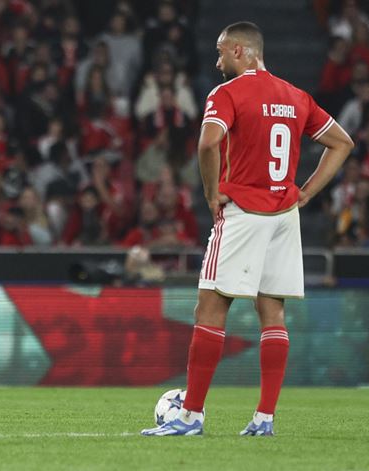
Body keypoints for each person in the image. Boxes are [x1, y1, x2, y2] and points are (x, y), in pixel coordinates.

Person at [142, 22, 354, 437]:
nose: (217, 60)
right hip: (284, 214)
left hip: (245, 211)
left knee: (210, 308)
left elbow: (207, 144)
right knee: (272, 313)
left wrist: (209, 192)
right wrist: (305, 192)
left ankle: (190, 417)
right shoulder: (296, 96)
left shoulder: (227, 94)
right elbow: (342, 142)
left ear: (241, 51)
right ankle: (264, 419)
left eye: (222, 52)